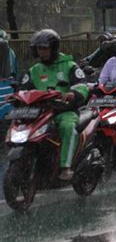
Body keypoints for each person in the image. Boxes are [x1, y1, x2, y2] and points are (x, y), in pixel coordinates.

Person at [20, 29, 89, 180]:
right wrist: (16, 97)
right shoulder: (34, 70)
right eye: (39, 48)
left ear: (54, 48)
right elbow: (22, 89)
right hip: (39, 112)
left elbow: (82, 85)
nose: (42, 52)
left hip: (63, 111)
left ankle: (66, 167)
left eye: (45, 48)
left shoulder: (70, 66)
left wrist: (73, 94)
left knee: (67, 127)